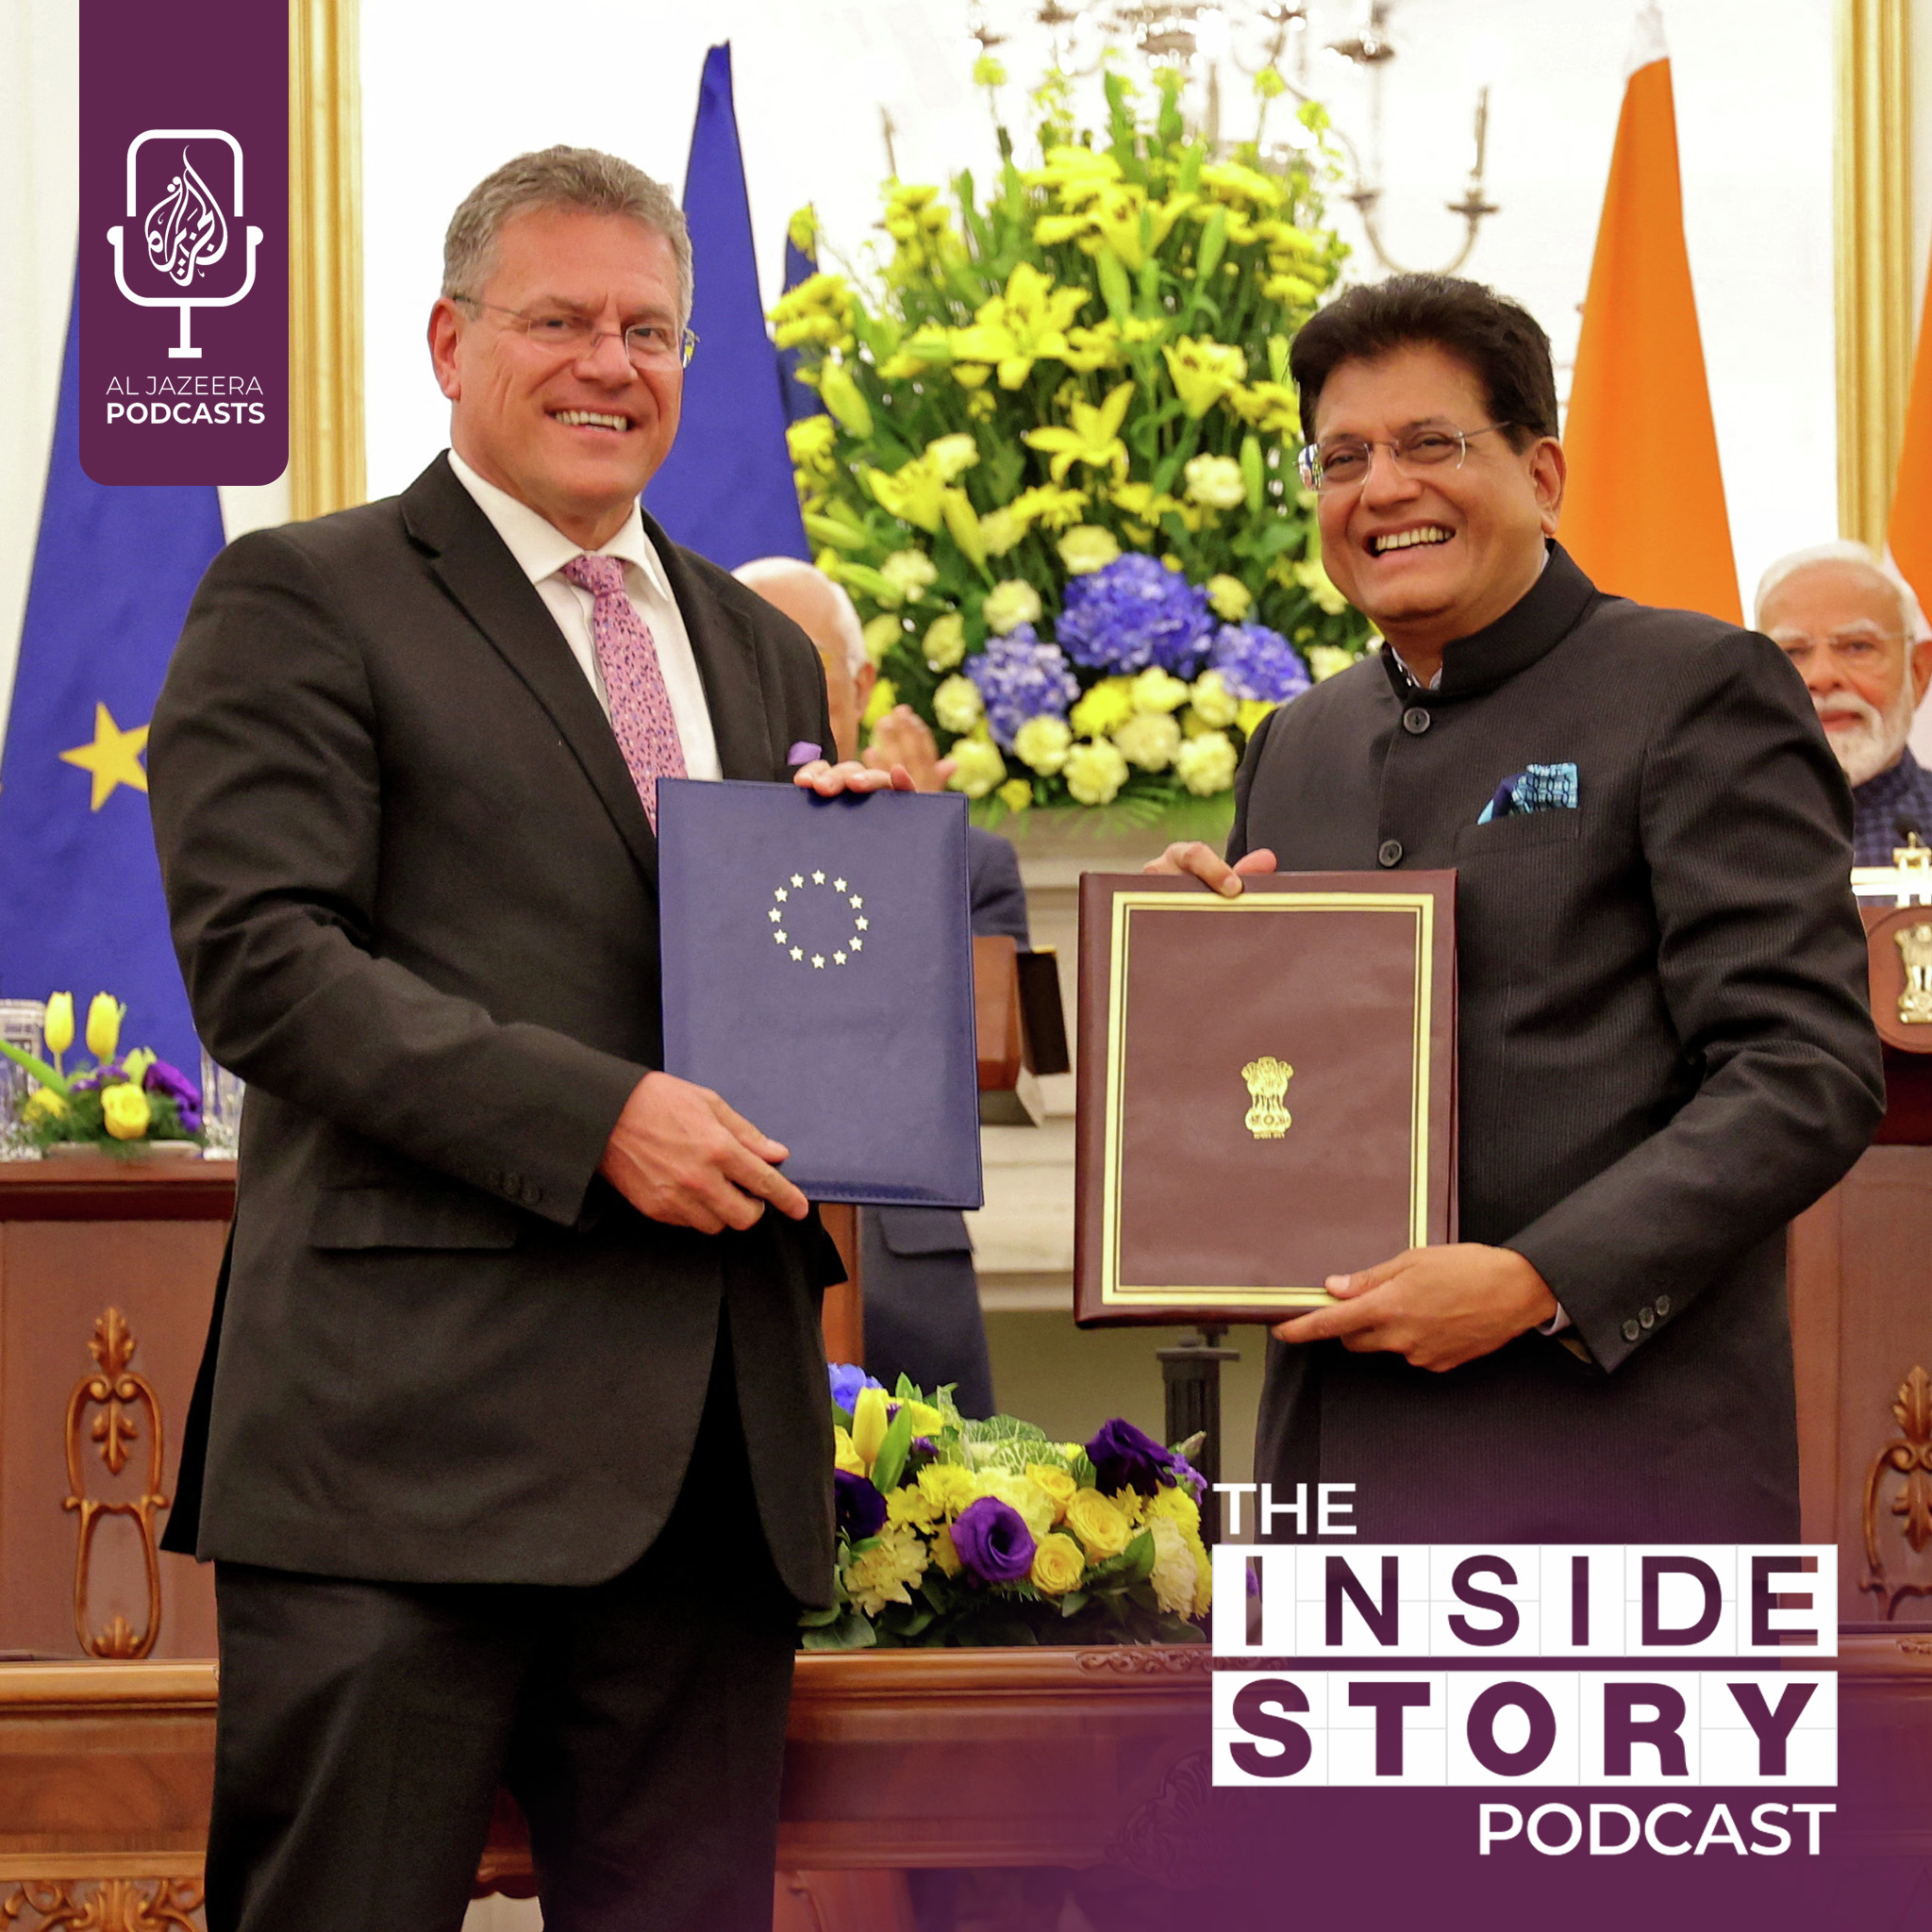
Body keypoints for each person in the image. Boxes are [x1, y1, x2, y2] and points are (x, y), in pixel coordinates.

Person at [146, 147, 908, 1932]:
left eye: (649, 330)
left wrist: (849, 894)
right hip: (401, 1461)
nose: (608, 364)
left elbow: (746, 975)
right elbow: (267, 963)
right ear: (449, 340)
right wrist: (597, 1117)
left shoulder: (758, 646)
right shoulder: (303, 594)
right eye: (558, 320)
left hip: (707, 1477)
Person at [1150, 274, 1883, 1542]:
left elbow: (1801, 1067)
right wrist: (1187, 977)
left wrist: (1539, 1279)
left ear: (1541, 474)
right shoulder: (1295, 744)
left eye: (1430, 444)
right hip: (1336, 1478)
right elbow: (1266, 1108)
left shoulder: (1695, 688)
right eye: (1341, 459)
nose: (1382, 489)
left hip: (1619, 1476)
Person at [735, 555, 1024, 1416]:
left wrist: (909, 860)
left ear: (860, 684)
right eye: (752, 661)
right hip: (712, 1256)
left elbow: (980, 1054)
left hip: (902, 1278)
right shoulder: (678, 856)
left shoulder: (971, 862)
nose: (779, 686)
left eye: (805, 662)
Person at [1755, 541, 1932, 864]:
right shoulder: (1701, 833)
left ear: (1917, 673)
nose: (1822, 677)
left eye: (1857, 646)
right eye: (1792, 652)